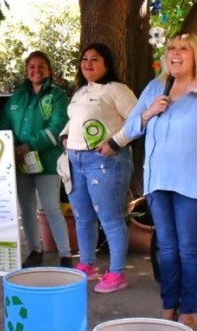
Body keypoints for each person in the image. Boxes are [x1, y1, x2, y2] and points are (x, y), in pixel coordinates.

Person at [123, 33, 197, 329]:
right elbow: (129, 127)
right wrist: (149, 112)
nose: (175, 53)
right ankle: (169, 305)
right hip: (158, 182)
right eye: (171, 48)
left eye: (183, 49)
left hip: (192, 183)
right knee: (165, 247)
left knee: (189, 247)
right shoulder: (155, 87)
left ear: (196, 56)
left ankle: (189, 308)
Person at [60, 43, 138, 293]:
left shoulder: (117, 89)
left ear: (107, 64)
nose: (88, 63)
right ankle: (87, 265)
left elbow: (139, 120)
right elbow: (74, 120)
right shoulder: (81, 91)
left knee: (111, 218)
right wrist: (64, 136)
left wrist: (115, 143)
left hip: (105, 161)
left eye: (95, 59)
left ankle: (116, 273)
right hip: (75, 160)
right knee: (83, 217)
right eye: (85, 59)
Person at [0, 51, 72, 268]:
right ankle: (34, 250)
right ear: (26, 70)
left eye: (41, 66)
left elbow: (58, 126)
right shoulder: (17, 97)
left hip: (47, 161)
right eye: (31, 66)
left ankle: (66, 255)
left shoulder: (57, 96)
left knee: (51, 207)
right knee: (27, 207)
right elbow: (4, 124)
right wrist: (11, 148)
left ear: (49, 70)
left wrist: (28, 146)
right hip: (20, 162)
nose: (36, 70)